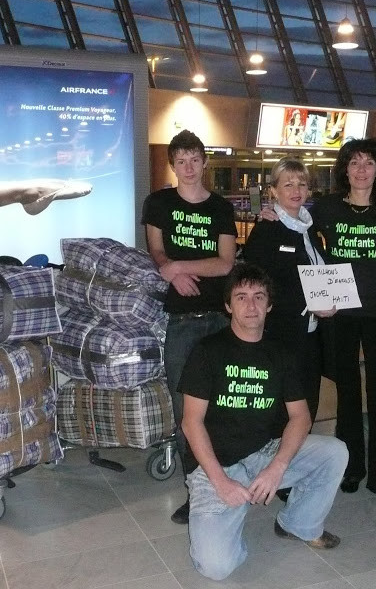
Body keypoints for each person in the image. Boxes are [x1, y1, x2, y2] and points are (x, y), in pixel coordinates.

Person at [179, 263, 348, 580]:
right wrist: (221, 482)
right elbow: (191, 423)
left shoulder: (280, 353)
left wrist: (277, 467)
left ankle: (298, 524)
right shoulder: (207, 351)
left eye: (259, 296)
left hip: (263, 453)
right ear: (228, 305)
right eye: (241, 297)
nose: (251, 305)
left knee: (335, 451)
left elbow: (300, 416)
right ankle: (233, 511)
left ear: (269, 305)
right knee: (216, 568)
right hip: (215, 466)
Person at [311, 138, 376, 502]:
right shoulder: (326, 208)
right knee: (347, 394)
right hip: (339, 313)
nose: (360, 169)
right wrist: (271, 213)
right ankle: (351, 467)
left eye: (368, 163)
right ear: (344, 168)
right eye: (354, 162)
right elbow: (301, 237)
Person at [141, 129, 237, 524]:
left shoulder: (220, 207)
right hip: (181, 321)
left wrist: (180, 266)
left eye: (195, 159)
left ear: (204, 162)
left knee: (225, 404)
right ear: (173, 165)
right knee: (187, 410)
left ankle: (229, 478)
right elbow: (157, 250)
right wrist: (169, 269)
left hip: (219, 318)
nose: (188, 167)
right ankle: (196, 489)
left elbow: (226, 263)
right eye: (180, 160)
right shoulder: (158, 202)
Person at [243, 157, 335, 423]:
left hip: (310, 336)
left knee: (308, 406)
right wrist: (307, 302)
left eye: (301, 184)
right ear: (274, 190)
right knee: (284, 412)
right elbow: (259, 289)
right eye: (288, 184)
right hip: (281, 337)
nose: (296, 191)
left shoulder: (310, 229)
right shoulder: (267, 230)